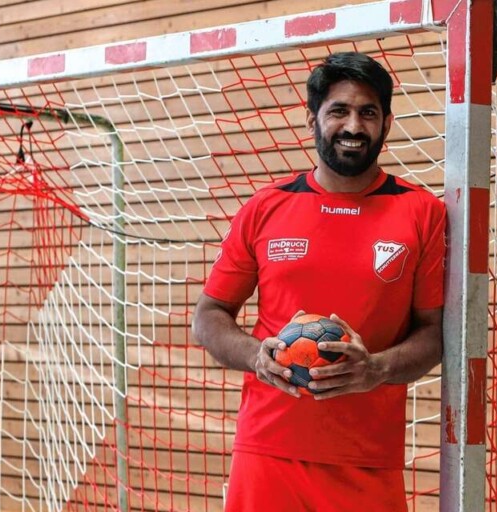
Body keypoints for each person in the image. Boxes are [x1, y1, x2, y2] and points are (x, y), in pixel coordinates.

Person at [191, 52, 446, 512]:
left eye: (368, 113)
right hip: (268, 453)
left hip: (367, 460)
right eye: (338, 111)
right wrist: (256, 356)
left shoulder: (422, 213)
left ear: (387, 123)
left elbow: (434, 332)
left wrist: (375, 370)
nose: (353, 126)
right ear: (312, 119)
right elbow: (209, 316)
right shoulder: (266, 207)